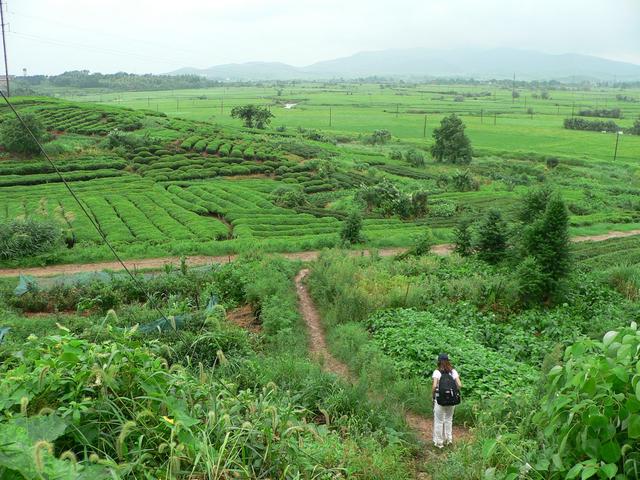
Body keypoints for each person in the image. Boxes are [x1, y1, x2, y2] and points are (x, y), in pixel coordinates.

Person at [431, 353, 462, 448]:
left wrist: (433, 396)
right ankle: (449, 440)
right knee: (449, 420)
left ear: (438, 362)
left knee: (439, 421)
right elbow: (460, 385)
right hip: (452, 401)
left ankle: (439, 443)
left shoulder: (437, 372)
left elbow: (434, 386)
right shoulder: (453, 372)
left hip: (440, 400)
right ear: (449, 361)